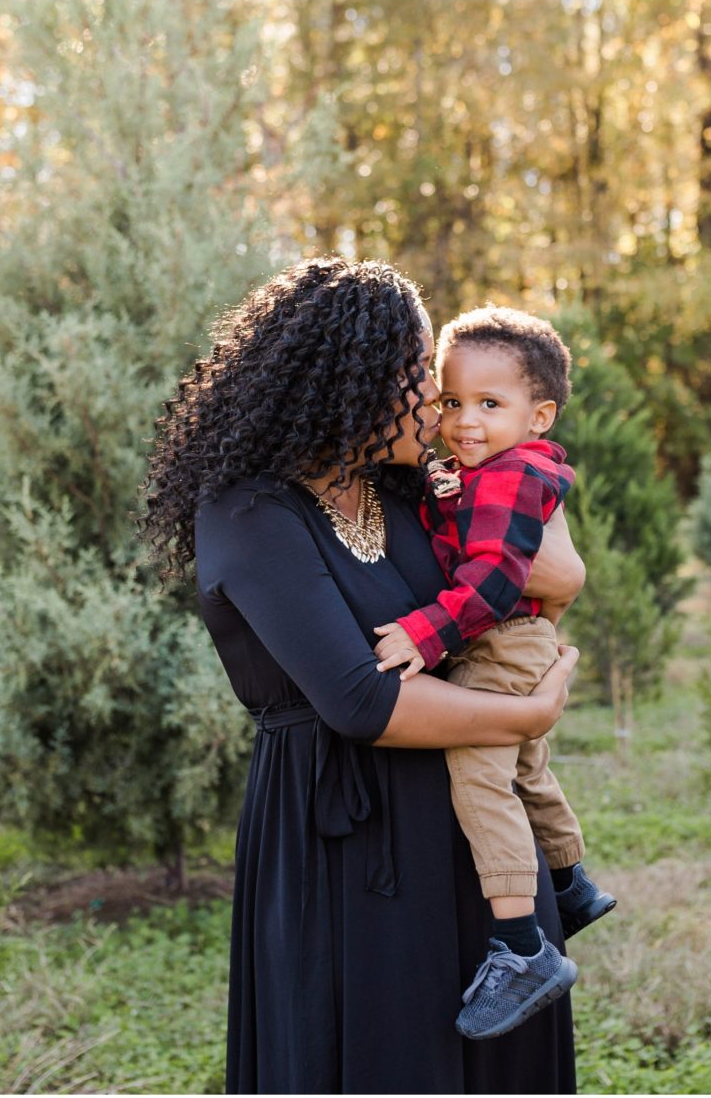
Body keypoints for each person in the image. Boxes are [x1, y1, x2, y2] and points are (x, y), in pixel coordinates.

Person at [137, 257, 585, 1094]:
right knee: (385, 1057)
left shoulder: (407, 488)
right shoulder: (249, 512)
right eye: (420, 372)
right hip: (342, 846)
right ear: (357, 382)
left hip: (469, 822)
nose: (439, 395)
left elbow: (557, 571)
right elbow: (359, 697)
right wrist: (527, 718)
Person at [370, 307, 616, 1042]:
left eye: (488, 404)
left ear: (538, 416)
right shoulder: (487, 468)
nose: (463, 421)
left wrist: (424, 633)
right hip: (516, 640)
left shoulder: (512, 475)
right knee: (526, 766)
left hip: (500, 636)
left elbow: (493, 582)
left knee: (479, 775)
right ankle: (569, 882)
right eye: (451, 401)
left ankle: (521, 947)